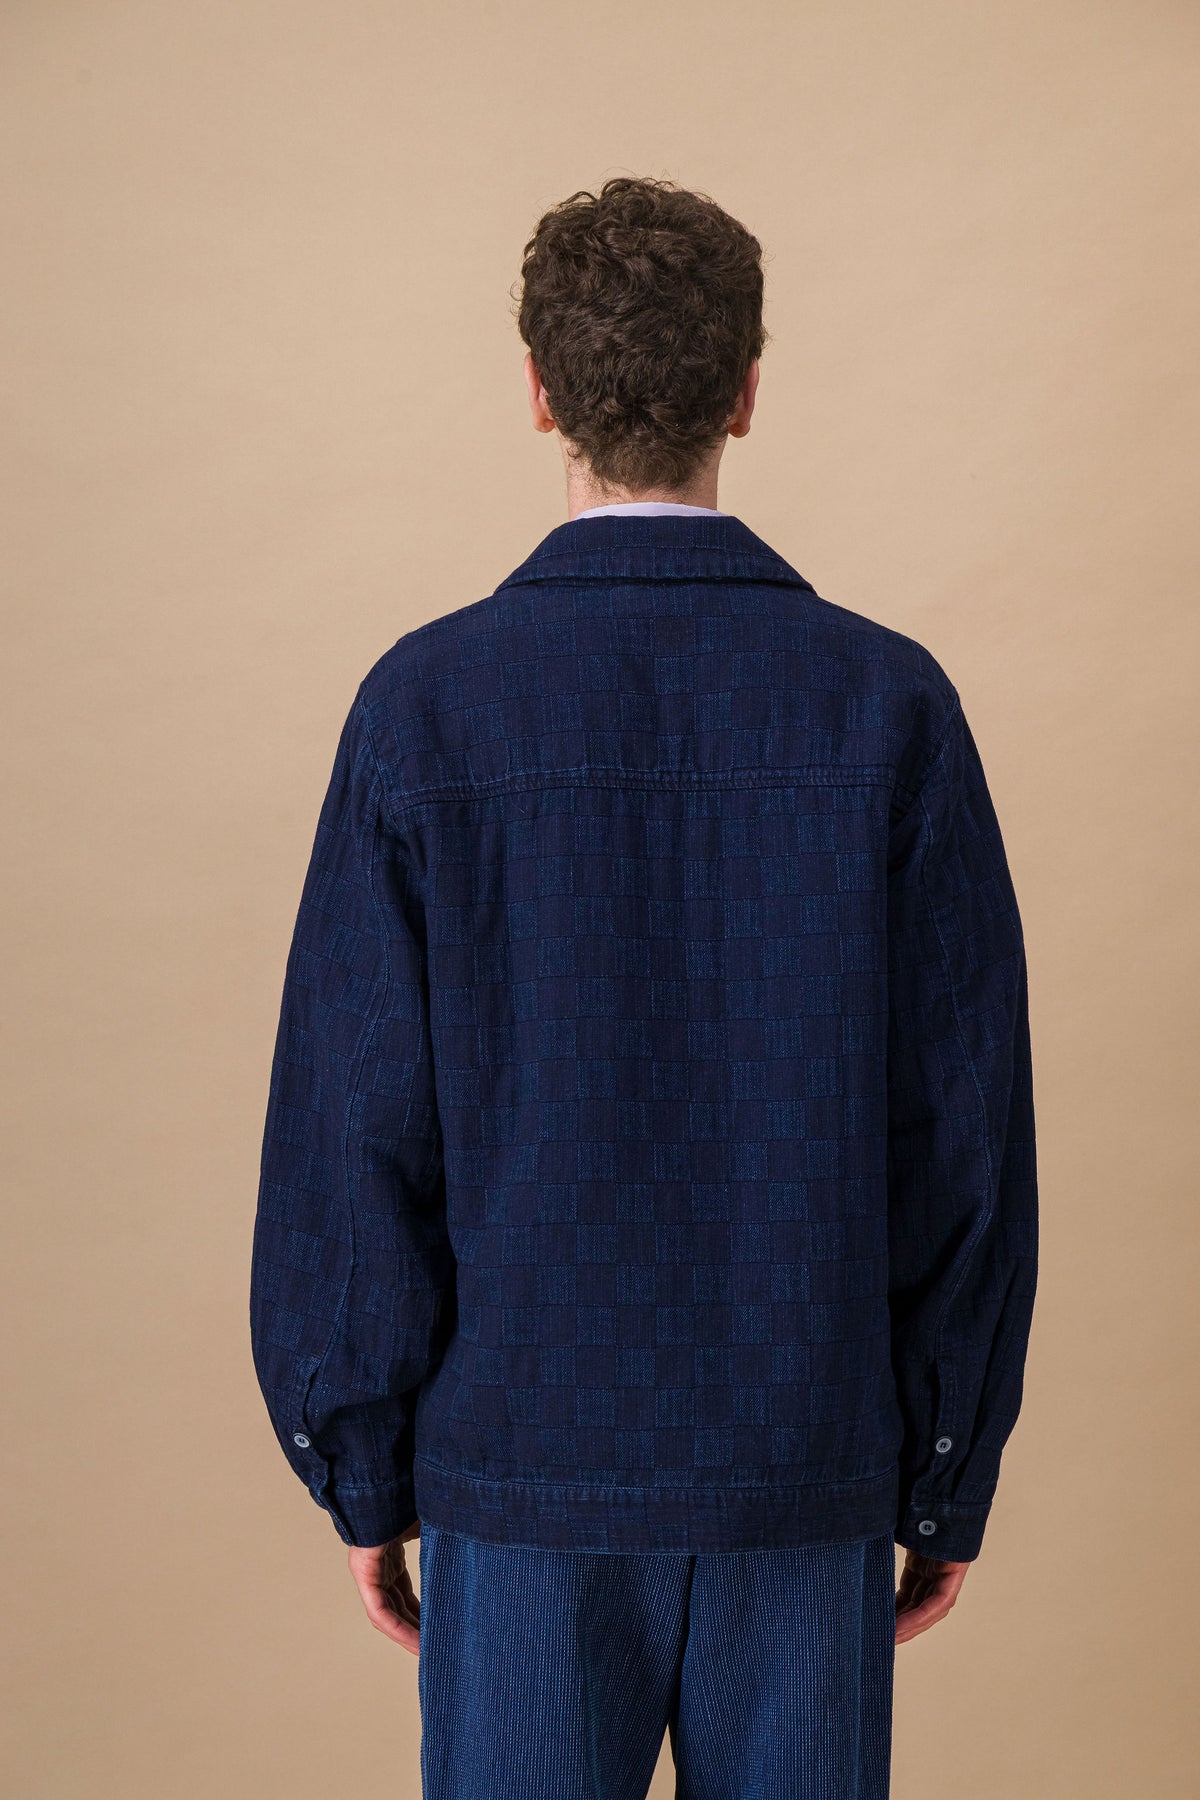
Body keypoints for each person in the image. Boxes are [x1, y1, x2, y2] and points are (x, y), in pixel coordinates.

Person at [249, 175, 1038, 1799]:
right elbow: (965, 1131)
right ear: (747, 389)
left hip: (522, 1471)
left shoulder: (424, 710)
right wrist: (945, 1462)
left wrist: (362, 1464)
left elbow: (353, 1127)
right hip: (804, 1470)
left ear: (538, 391)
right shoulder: (888, 707)